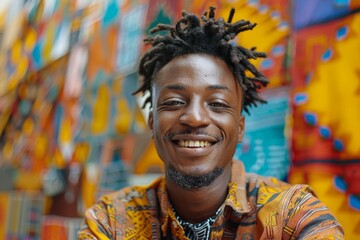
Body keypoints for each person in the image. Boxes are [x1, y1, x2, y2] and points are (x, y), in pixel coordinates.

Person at [78, 7, 344, 240]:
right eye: (173, 102)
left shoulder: (293, 215)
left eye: (216, 103)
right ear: (152, 123)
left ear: (239, 128)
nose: (194, 118)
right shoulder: (111, 221)